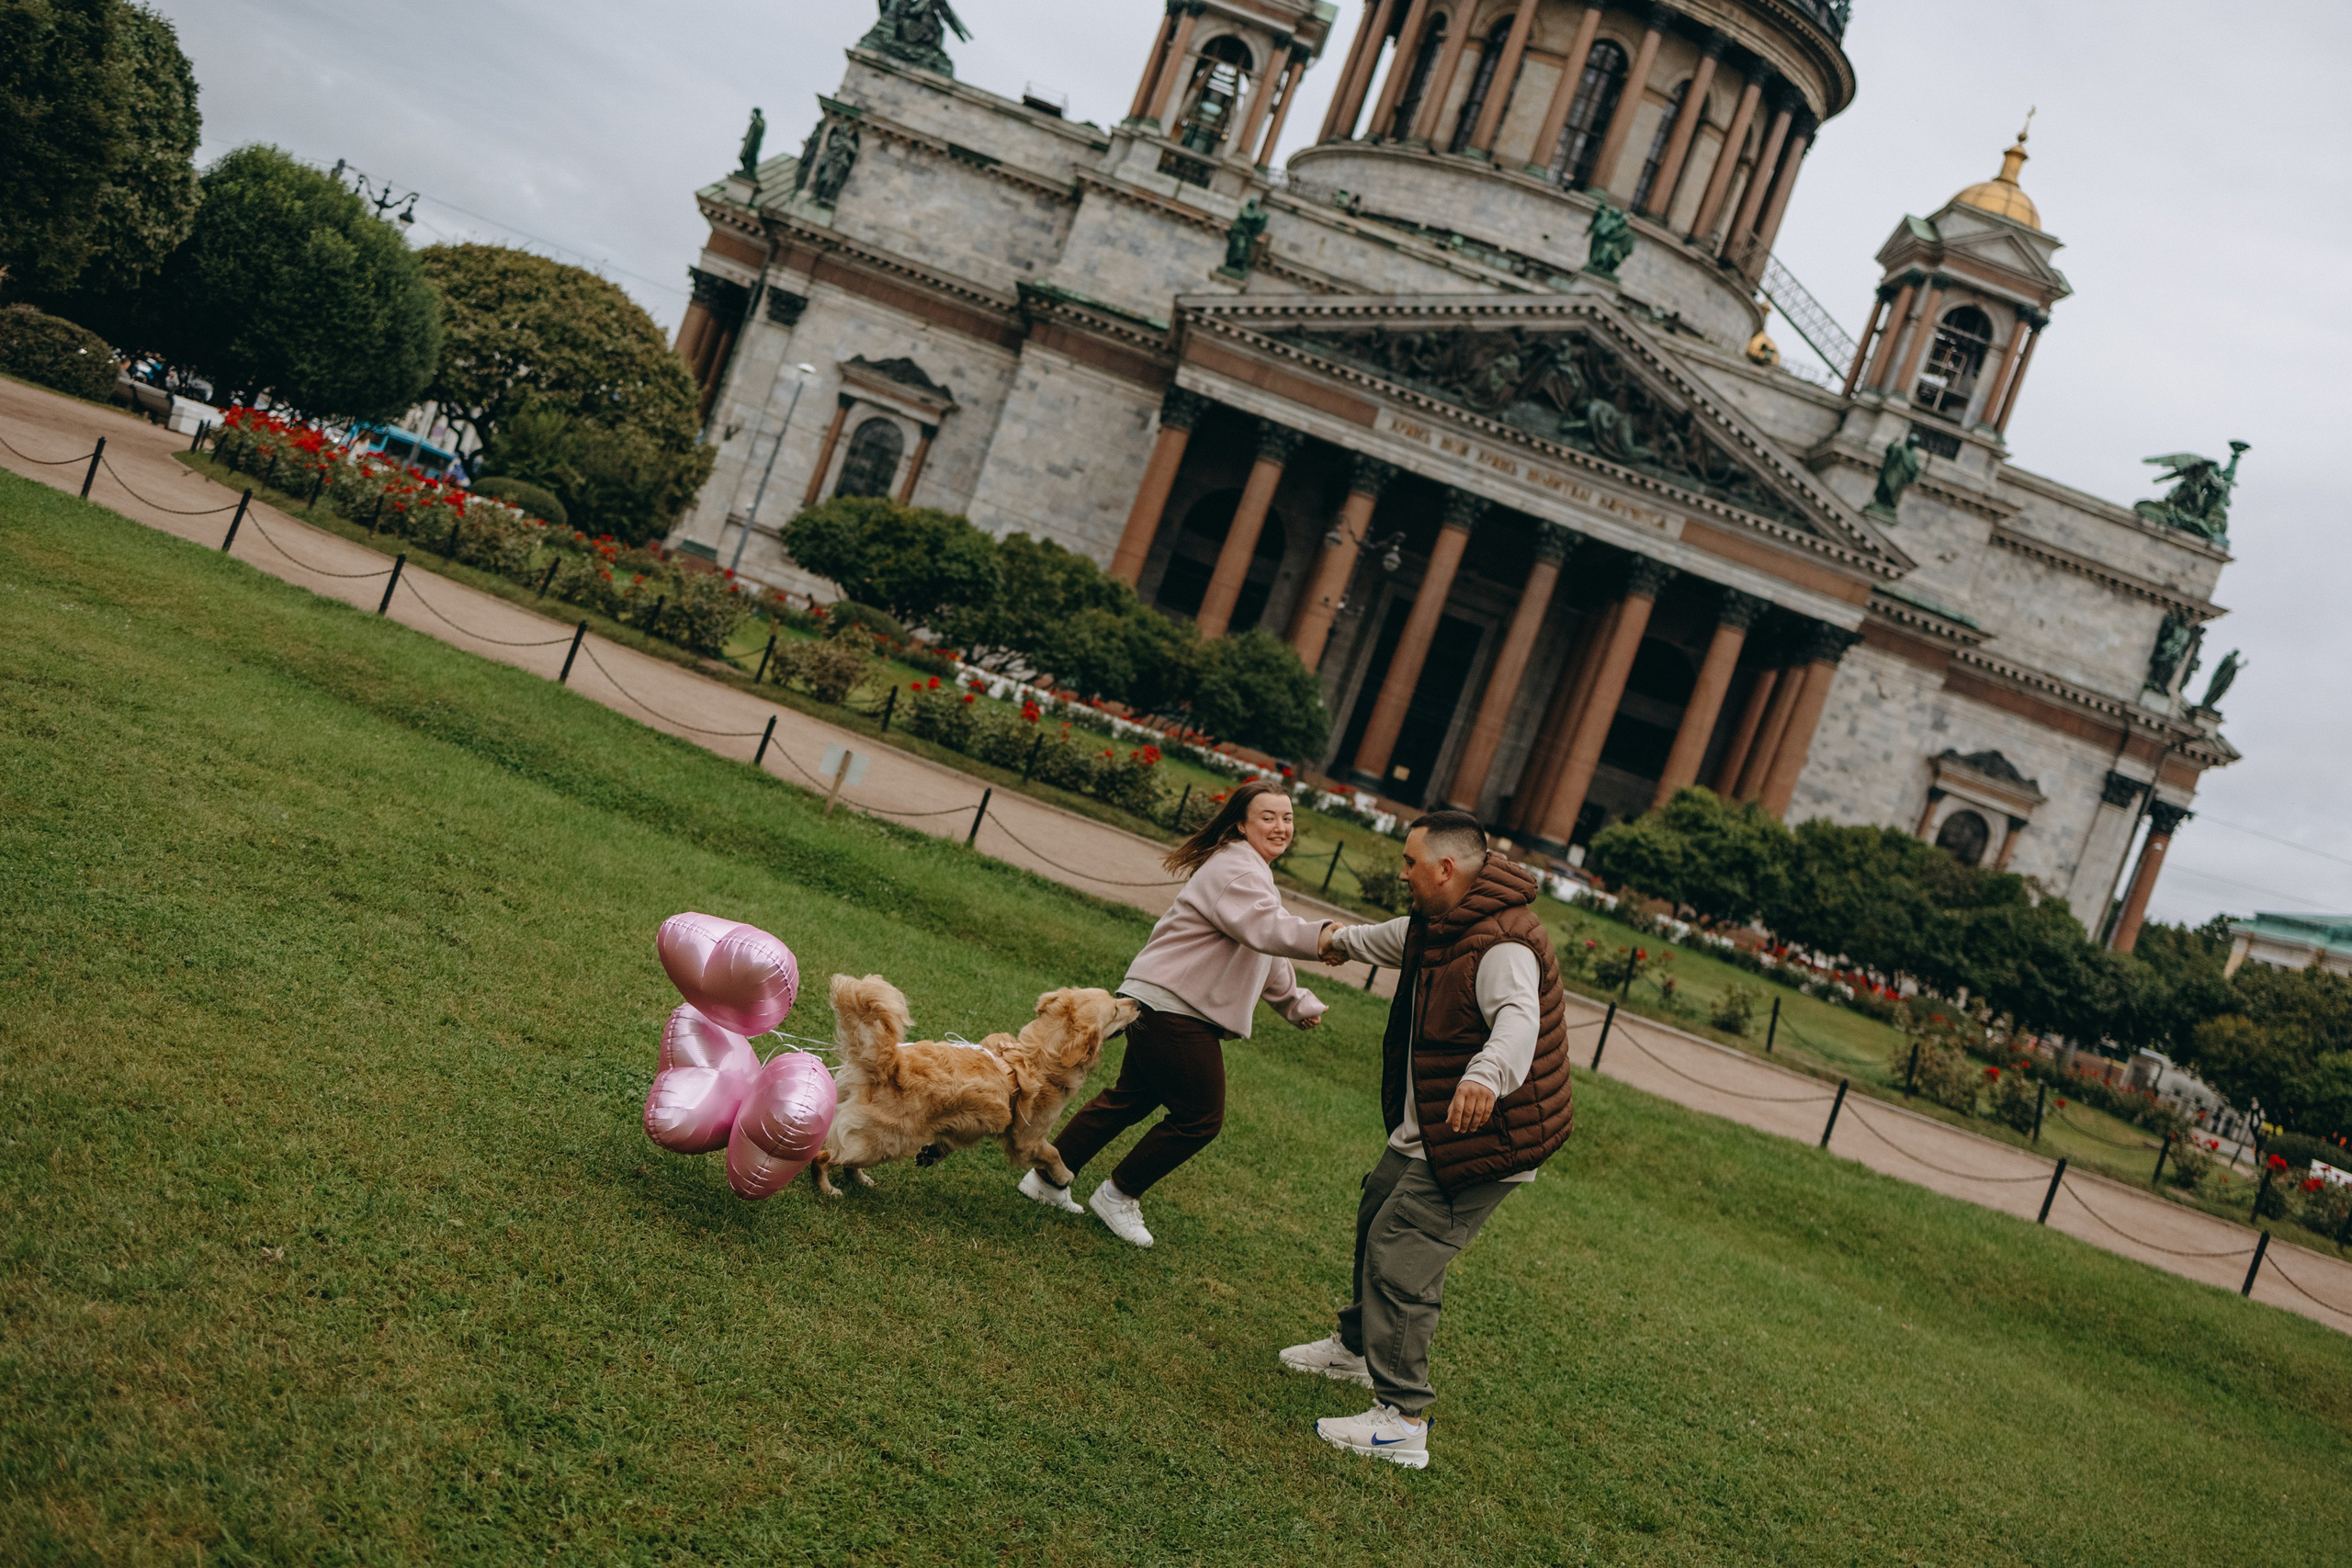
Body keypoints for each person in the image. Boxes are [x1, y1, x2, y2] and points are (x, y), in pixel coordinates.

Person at [1278, 810, 1569, 1470]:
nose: (1401, 872)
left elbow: (1519, 1021)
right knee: (1378, 1208)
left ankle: (1402, 1419)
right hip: (1437, 1127)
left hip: (1485, 1137)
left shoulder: (1502, 945)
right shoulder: (1443, 920)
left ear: (1446, 868)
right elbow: (1393, 939)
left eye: (1410, 862)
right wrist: (1337, 940)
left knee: (1402, 1249)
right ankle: (1356, 1350)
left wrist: (1486, 1075)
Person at [1023, 780, 1331, 1247]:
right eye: (1268, 817)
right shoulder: (1236, 869)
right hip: (1174, 1006)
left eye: (1287, 818)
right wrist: (1328, 936)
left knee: (1130, 1097)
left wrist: (1296, 1003)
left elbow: (1263, 948)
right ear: (1241, 824)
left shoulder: (1250, 874)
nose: (1280, 826)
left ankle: (1047, 1179)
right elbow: (1270, 931)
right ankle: (1118, 1195)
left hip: (1163, 999)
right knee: (1201, 1117)